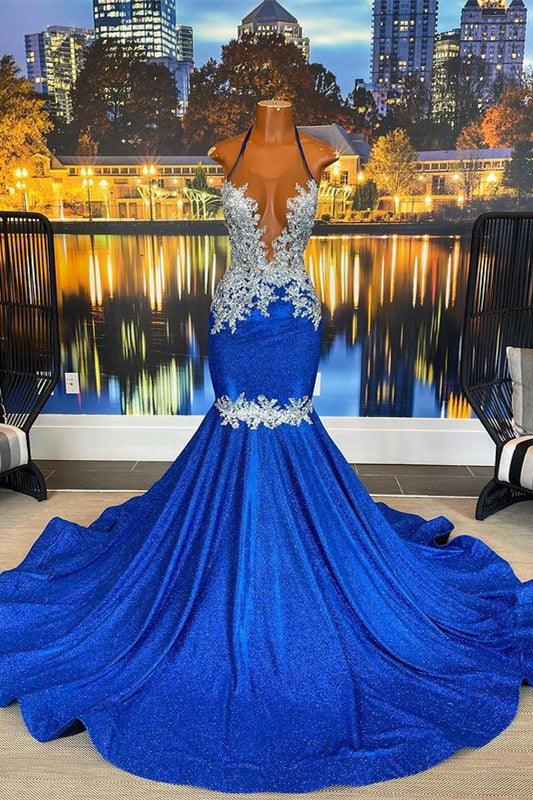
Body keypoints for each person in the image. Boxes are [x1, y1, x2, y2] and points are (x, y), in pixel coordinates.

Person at [0, 99, 531, 793]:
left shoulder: (323, 151)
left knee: (291, 430)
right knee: (233, 431)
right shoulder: (225, 149)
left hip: (294, 320)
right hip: (234, 322)